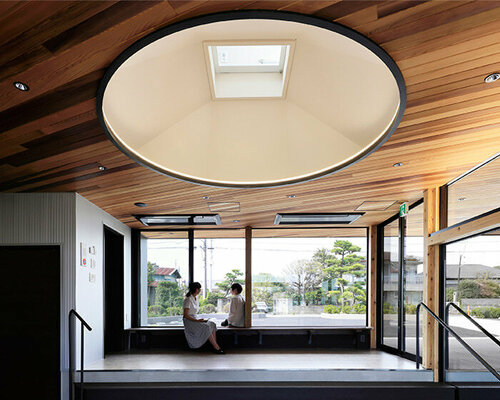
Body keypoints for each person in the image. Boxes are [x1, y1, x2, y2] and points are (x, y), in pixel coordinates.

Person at [183, 282, 224, 354]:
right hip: (189, 321)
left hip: (195, 319)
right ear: (196, 289)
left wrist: (199, 320)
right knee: (206, 327)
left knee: (212, 324)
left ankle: (214, 344)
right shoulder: (188, 299)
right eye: (199, 289)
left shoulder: (196, 298)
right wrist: (197, 321)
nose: (200, 290)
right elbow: (186, 315)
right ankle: (216, 347)